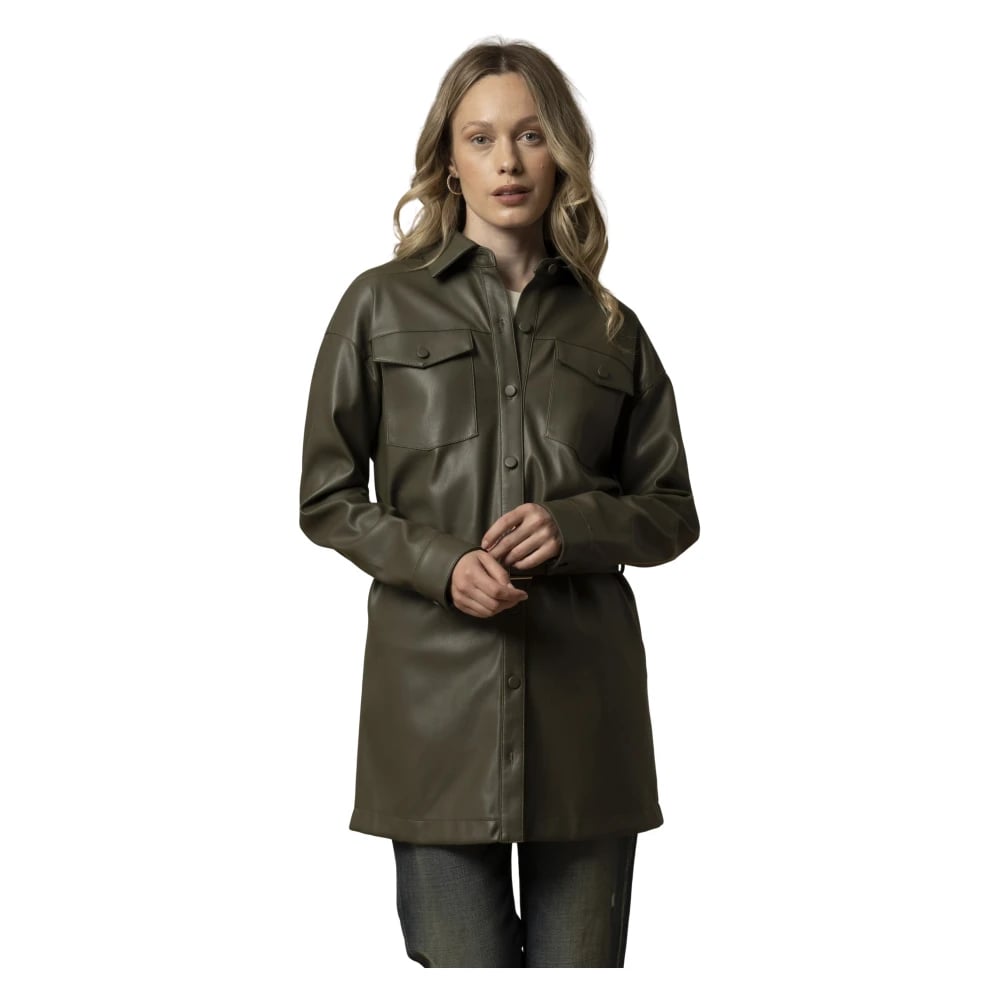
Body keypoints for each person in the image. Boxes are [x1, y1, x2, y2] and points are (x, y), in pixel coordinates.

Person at [298, 37, 700, 967]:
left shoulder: (612, 328)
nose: (508, 161)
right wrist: (441, 565)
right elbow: (326, 496)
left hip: (585, 725)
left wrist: (574, 525)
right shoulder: (377, 306)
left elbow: (672, 508)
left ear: (561, 152)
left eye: (530, 135)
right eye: (480, 138)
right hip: (430, 727)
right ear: (450, 160)